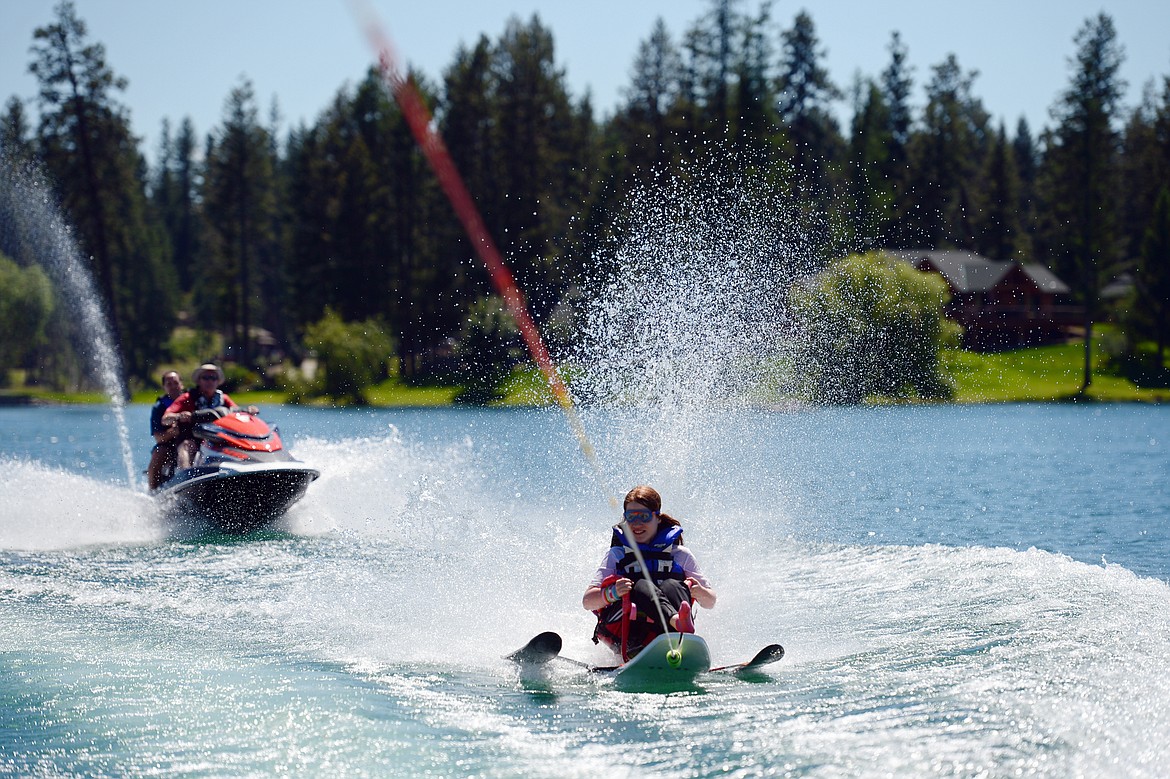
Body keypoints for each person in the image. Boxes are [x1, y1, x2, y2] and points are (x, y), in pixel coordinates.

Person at [583, 485, 717, 656]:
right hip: (628, 633)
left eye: (644, 516)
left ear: (658, 518)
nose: (637, 524)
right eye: (631, 517)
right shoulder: (617, 555)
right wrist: (614, 592)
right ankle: (675, 623)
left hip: (670, 635)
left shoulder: (681, 555)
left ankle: (679, 632)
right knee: (641, 585)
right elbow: (587, 601)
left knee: (673, 585)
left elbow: (710, 602)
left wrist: (700, 592)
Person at [162, 363, 254, 469]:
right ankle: (185, 475)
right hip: (194, 438)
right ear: (199, 381)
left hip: (219, 439)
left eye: (213, 378)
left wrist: (249, 411)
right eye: (205, 378)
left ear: (217, 381)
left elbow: (237, 414)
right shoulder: (187, 397)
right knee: (186, 446)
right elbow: (165, 419)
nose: (209, 381)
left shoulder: (224, 398)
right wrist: (179, 416)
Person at [146, 370, 184, 489]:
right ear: (164, 387)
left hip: (192, 440)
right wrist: (173, 432)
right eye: (169, 384)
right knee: (159, 453)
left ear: (181, 384)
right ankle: (153, 491)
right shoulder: (159, 407)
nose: (173, 387)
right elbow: (158, 438)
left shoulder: (191, 399)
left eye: (175, 383)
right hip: (169, 445)